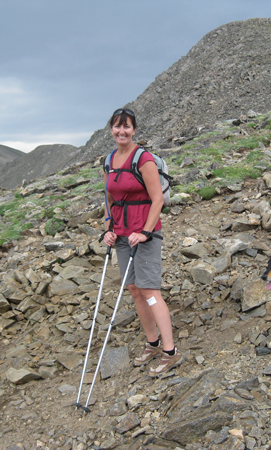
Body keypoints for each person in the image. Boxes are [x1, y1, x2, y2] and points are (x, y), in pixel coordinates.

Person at [102, 108, 183, 377]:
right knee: (135, 289)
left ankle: (170, 352)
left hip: (145, 234)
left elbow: (157, 199)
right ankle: (152, 343)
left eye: (126, 127)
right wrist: (107, 229)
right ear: (111, 129)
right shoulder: (109, 160)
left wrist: (146, 232)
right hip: (122, 234)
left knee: (150, 291)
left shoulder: (143, 159)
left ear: (134, 130)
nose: (121, 131)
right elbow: (109, 200)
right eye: (117, 126)